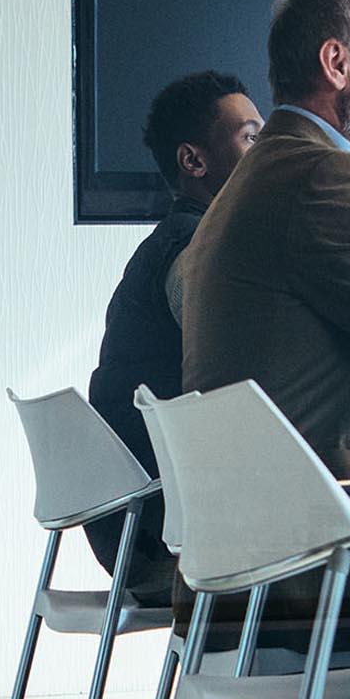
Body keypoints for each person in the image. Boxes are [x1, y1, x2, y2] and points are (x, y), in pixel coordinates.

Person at [171, 0, 350, 482]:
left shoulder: (267, 169)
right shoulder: (323, 178)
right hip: (329, 544)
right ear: (337, 65)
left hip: (259, 534)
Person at [82, 70, 258, 608]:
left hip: (137, 528)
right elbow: (231, 359)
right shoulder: (194, 253)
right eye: (251, 136)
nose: (271, 150)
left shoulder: (173, 241)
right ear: (194, 161)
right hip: (167, 542)